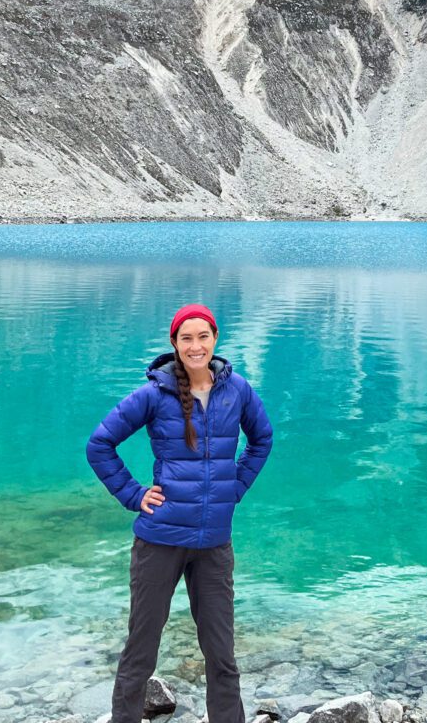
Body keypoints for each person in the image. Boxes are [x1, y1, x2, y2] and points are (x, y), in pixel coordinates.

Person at [86, 303, 273, 723]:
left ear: (215, 340)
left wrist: (234, 488)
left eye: (202, 337)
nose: (195, 346)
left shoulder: (237, 390)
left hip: (213, 545)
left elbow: (262, 439)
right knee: (141, 651)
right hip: (160, 542)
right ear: (174, 344)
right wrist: (134, 495)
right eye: (186, 338)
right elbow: (99, 444)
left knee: (221, 655)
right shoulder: (154, 394)